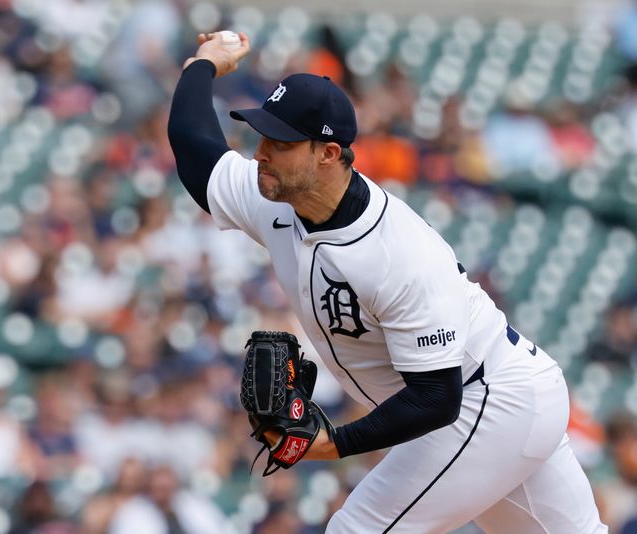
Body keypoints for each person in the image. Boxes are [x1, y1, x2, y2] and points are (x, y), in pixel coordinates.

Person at [167, 32, 607, 533]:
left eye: (281, 143)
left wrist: (336, 442)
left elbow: (436, 398)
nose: (262, 153)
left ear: (328, 154)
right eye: (262, 137)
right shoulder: (272, 195)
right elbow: (195, 150)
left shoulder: (398, 252)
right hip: (496, 399)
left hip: (485, 398)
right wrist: (201, 66)